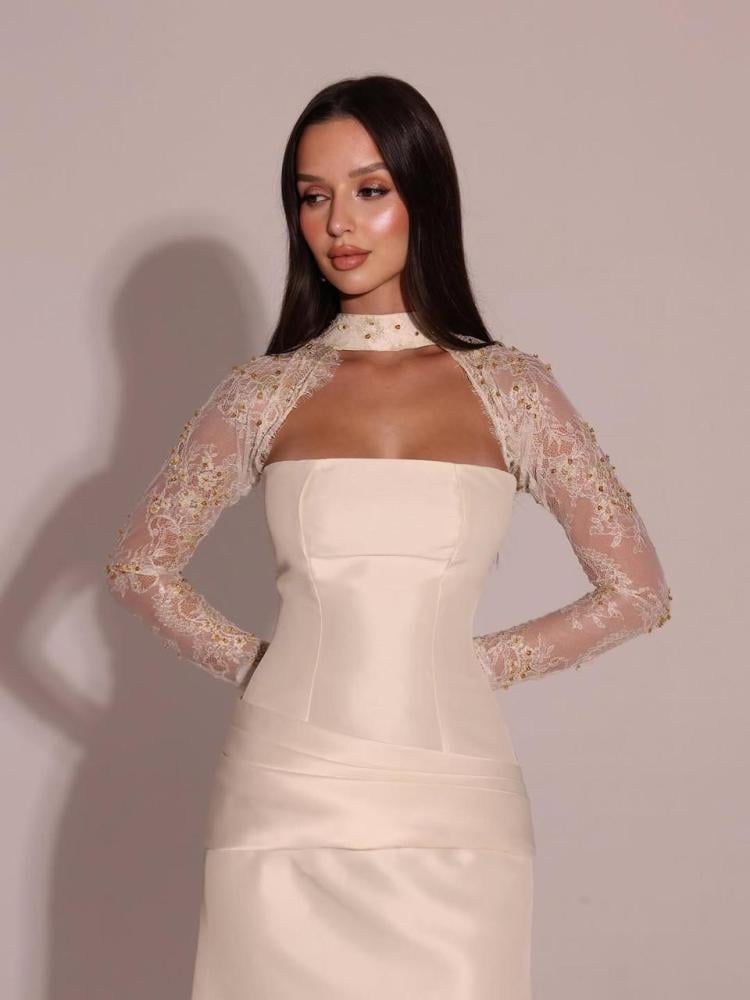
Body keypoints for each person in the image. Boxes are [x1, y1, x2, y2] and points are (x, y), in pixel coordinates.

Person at [105, 75, 672, 999]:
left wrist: (471, 664)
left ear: (424, 195)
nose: (338, 223)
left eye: (370, 190)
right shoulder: (263, 392)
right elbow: (140, 566)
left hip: (453, 794)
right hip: (286, 786)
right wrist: (258, 666)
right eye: (312, 196)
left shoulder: (512, 390)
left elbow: (639, 591)